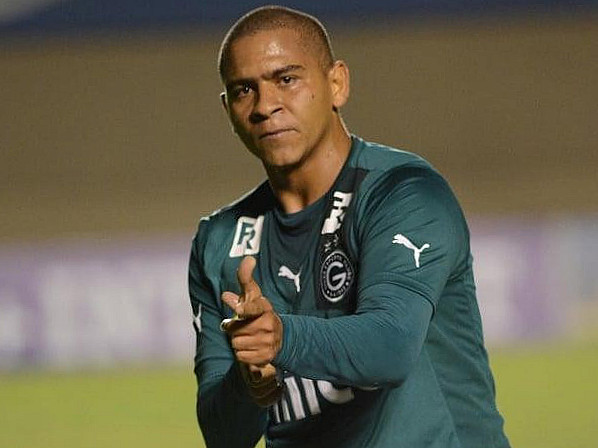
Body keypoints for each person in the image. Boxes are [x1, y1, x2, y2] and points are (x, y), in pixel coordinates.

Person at [188, 5, 510, 448]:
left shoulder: (404, 194)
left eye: (287, 79)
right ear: (228, 109)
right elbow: (223, 434)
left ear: (336, 84)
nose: (265, 106)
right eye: (245, 90)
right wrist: (250, 385)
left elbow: (392, 346)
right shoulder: (220, 241)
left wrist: (282, 337)